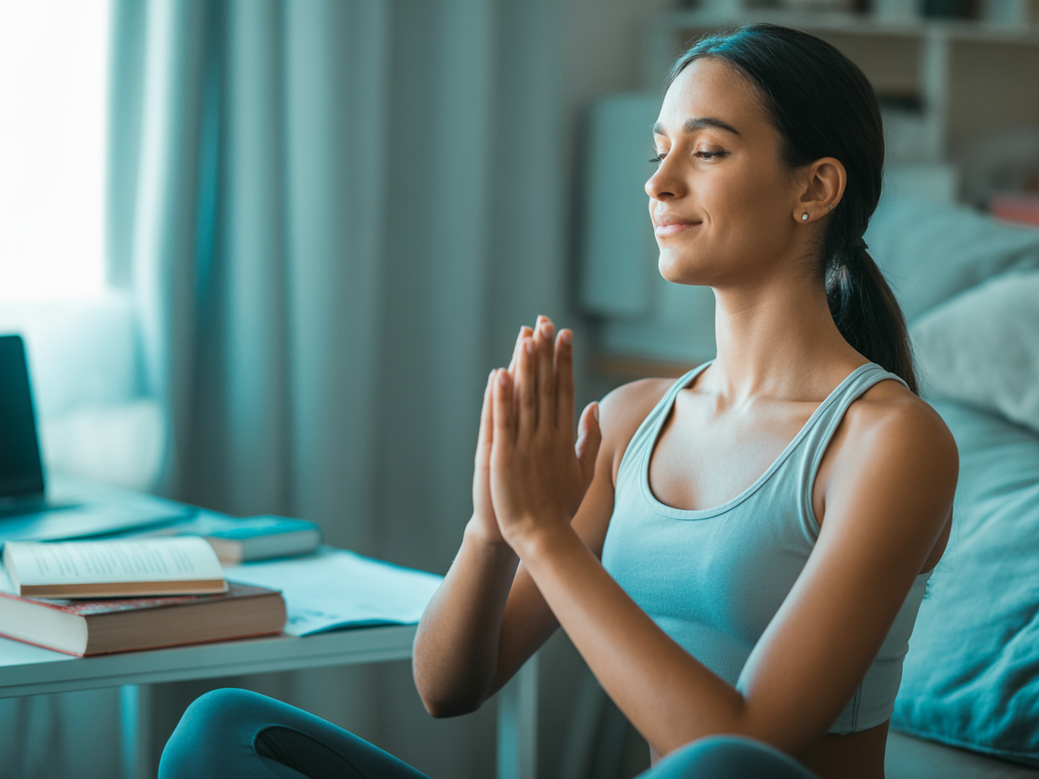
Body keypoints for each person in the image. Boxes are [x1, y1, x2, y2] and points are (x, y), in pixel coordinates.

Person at [158, 23, 957, 779]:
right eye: (658, 151)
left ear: (814, 186)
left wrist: (546, 537)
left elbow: (743, 751)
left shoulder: (888, 443)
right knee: (223, 729)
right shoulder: (632, 421)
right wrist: (494, 526)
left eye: (707, 150)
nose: (658, 182)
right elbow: (448, 686)